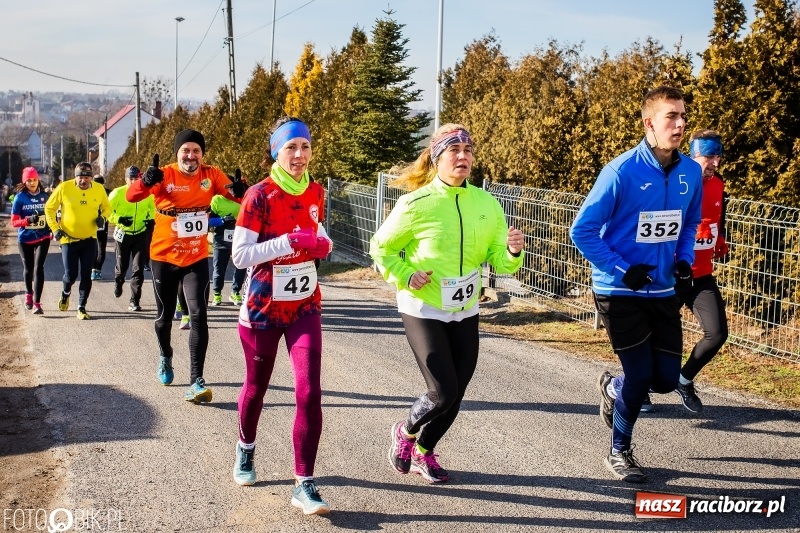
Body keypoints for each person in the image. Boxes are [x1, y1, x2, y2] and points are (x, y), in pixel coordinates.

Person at [370, 123, 525, 484]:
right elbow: (381, 247)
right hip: (422, 307)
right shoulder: (416, 203)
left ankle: (424, 451)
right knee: (443, 391)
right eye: (454, 151)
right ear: (437, 158)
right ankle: (405, 432)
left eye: (468, 151)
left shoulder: (486, 204)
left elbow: (498, 261)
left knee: (456, 395)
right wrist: (405, 274)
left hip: (465, 309)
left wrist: (512, 250)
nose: (463, 157)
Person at [570, 86, 703, 483]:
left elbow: (689, 222)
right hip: (619, 289)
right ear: (650, 123)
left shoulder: (691, 172)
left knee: (665, 379)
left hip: (662, 289)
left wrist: (684, 261)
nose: (680, 124)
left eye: (682, 116)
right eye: (671, 117)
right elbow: (583, 230)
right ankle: (619, 451)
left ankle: (614, 389)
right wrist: (621, 267)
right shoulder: (621, 171)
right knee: (642, 375)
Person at [230, 117, 332, 515]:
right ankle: (245, 449)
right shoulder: (259, 196)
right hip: (262, 309)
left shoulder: (316, 191)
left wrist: (323, 244)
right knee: (257, 387)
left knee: (309, 392)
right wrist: (287, 242)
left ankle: (304, 483)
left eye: (305, 147)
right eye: (291, 148)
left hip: (305, 305)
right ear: (276, 151)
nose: (300, 155)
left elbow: (319, 231)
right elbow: (240, 256)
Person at [126, 129, 246, 402]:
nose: (190, 156)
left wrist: (241, 191)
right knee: (164, 318)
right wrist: (145, 182)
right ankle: (165, 355)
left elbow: (237, 195)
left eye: (196, 151)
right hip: (164, 257)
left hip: (195, 257)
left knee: (199, 315)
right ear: (177, 153)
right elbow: (133, 197)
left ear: (202, 155)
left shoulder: (211, 174)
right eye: (185, 151)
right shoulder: (164, 174)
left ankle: (196, 380)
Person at [670, 129, 730, 413]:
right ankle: (634, 386)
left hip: (702, 275)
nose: (715, 162)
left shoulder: (719, 184)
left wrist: (719, 237)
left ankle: (683, 380)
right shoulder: (677, 183)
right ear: (694, 156)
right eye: (710, 156)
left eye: (718, 156)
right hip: (671, 275)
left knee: (717, 333)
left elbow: (718, 217)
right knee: (656, 337)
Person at [45, 162, 112, 320]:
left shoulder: (98, 189)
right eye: (80, 177)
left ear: (91, 178)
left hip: (89, 239)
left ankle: (81, 307)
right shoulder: (64, 188)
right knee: (71, 275)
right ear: (75, 177)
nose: (83, 181)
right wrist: (55, 228)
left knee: (86, 274)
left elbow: (107, 208)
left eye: (87, 178)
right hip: (68, 239)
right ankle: (65, 292)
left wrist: (103, 218)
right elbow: (49, 208)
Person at [108, 166, 155, 311]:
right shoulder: (117, 193)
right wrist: (119, 219)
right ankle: (118, 281)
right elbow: (106, 211)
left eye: (137, 178)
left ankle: (134, 300)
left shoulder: (147, 193)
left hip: (140, 234)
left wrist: (151, 220)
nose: (134, 181)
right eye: (131, 179)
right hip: (123, 234)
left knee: (138, 269)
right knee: (122, 267)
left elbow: (152, 209)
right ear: (126, 179)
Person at [10, 167, 51, 314]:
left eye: (34, 180)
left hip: (43, 236)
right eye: (29, 180)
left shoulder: (45, 197)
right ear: (24, 181)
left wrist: (52, 228)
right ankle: (29, 295)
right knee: (29, 269)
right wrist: (27, 221)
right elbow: (14, 222)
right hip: (25, 238)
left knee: (39, 268)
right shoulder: (20, 198)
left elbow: (51, 216)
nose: (32, 183)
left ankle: (37, 303)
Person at [209, 193, 247, 306]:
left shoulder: (242, 198)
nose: (231, 192)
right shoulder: (216, 199)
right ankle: (217, 293)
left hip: (239, 236)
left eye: (233, 189)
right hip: (221, 238)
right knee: (219, 268)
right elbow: (209, 220)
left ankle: (235, 292)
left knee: (240, 265)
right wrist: (222, 220)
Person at [91, 175, 112, 280]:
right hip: (103, 221)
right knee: (101, 247)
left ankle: (92, 269)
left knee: (92, 246)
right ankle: (97, 271)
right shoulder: (109, 192)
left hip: (90, 221)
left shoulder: (89, 191)